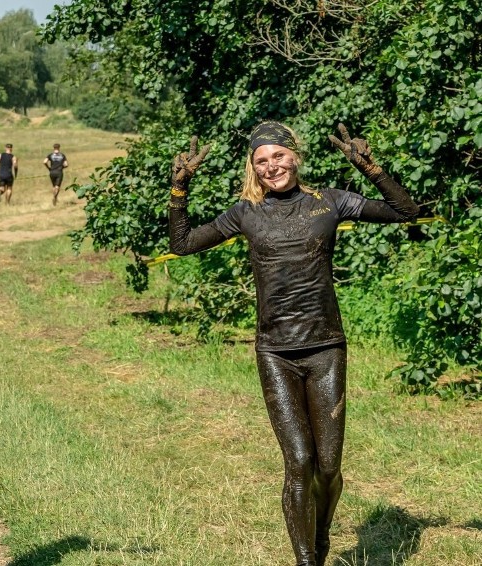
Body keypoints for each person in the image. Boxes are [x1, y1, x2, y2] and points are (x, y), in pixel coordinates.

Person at [168, 121, 419, 566]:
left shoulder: (329, 202)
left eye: (278, 156)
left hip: (326, 349)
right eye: (261, 160)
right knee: (299, 462)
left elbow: (405, 211)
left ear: (295, 156)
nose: (271, 167)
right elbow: (183, 243)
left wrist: (373, 169)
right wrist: (179, 191)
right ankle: (307, 561)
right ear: (253, 167)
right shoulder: (245, 212)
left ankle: (319, 543)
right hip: (275, 352)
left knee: (328, 469)